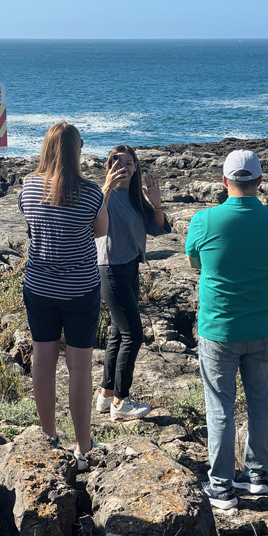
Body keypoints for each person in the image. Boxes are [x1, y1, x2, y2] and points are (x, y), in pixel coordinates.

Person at [185, 150, 268, 511]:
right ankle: (256, 476)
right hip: (263, 326)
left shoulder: (204, 220)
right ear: (260, 182)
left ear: (224, 181)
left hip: (219, 327)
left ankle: (222, 486)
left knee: (220, 407)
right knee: (261, 402)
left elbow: (193, 260)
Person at [18, 122, 109, 470]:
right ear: (76, 151)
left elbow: (30, 223)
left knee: (43, 360)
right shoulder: (90, 194)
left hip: (39, 286)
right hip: (80, 289)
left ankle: (48, 437)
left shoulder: (28, 188)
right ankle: (83, 446)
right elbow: (100, 232)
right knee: (79, 368)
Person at [95, 145, 171, 421]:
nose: (124, 167)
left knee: (118, 332)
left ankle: (105, 395)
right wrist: (105, 188)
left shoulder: (135, 196)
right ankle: (121, 402)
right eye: (117, 162)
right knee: (133, 335)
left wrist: (157, 203)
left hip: (130, 268)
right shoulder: (105, 194)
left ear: (136, 166)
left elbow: (158, 227)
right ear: (109, 166)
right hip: (110, 268)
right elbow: (93, 220)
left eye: (129, 162)